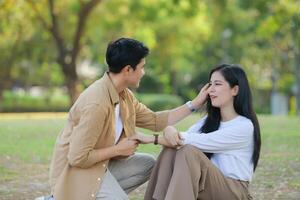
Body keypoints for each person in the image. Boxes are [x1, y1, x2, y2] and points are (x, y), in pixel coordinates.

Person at [45, 38, 205, 200]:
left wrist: (195, 104)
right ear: (128, 69)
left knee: (148, 164)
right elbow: (77, 157)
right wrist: (118, 150)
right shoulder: (97, 103)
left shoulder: (124, 95)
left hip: (100, 165)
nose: (143, 72)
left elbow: (156, 120)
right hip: (76, 173)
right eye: (142, 67)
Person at [140, 64, 261, 200]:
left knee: (187, 151)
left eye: (218, 84)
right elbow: (177, 141)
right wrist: (168, 130)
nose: (211, 90)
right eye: (210, 84)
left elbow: (187, 141)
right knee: (171, 150)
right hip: (211, 186)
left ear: (235, 90)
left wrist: (153, 138)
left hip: (234, 192)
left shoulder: (244, 126)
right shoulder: (208, 121)